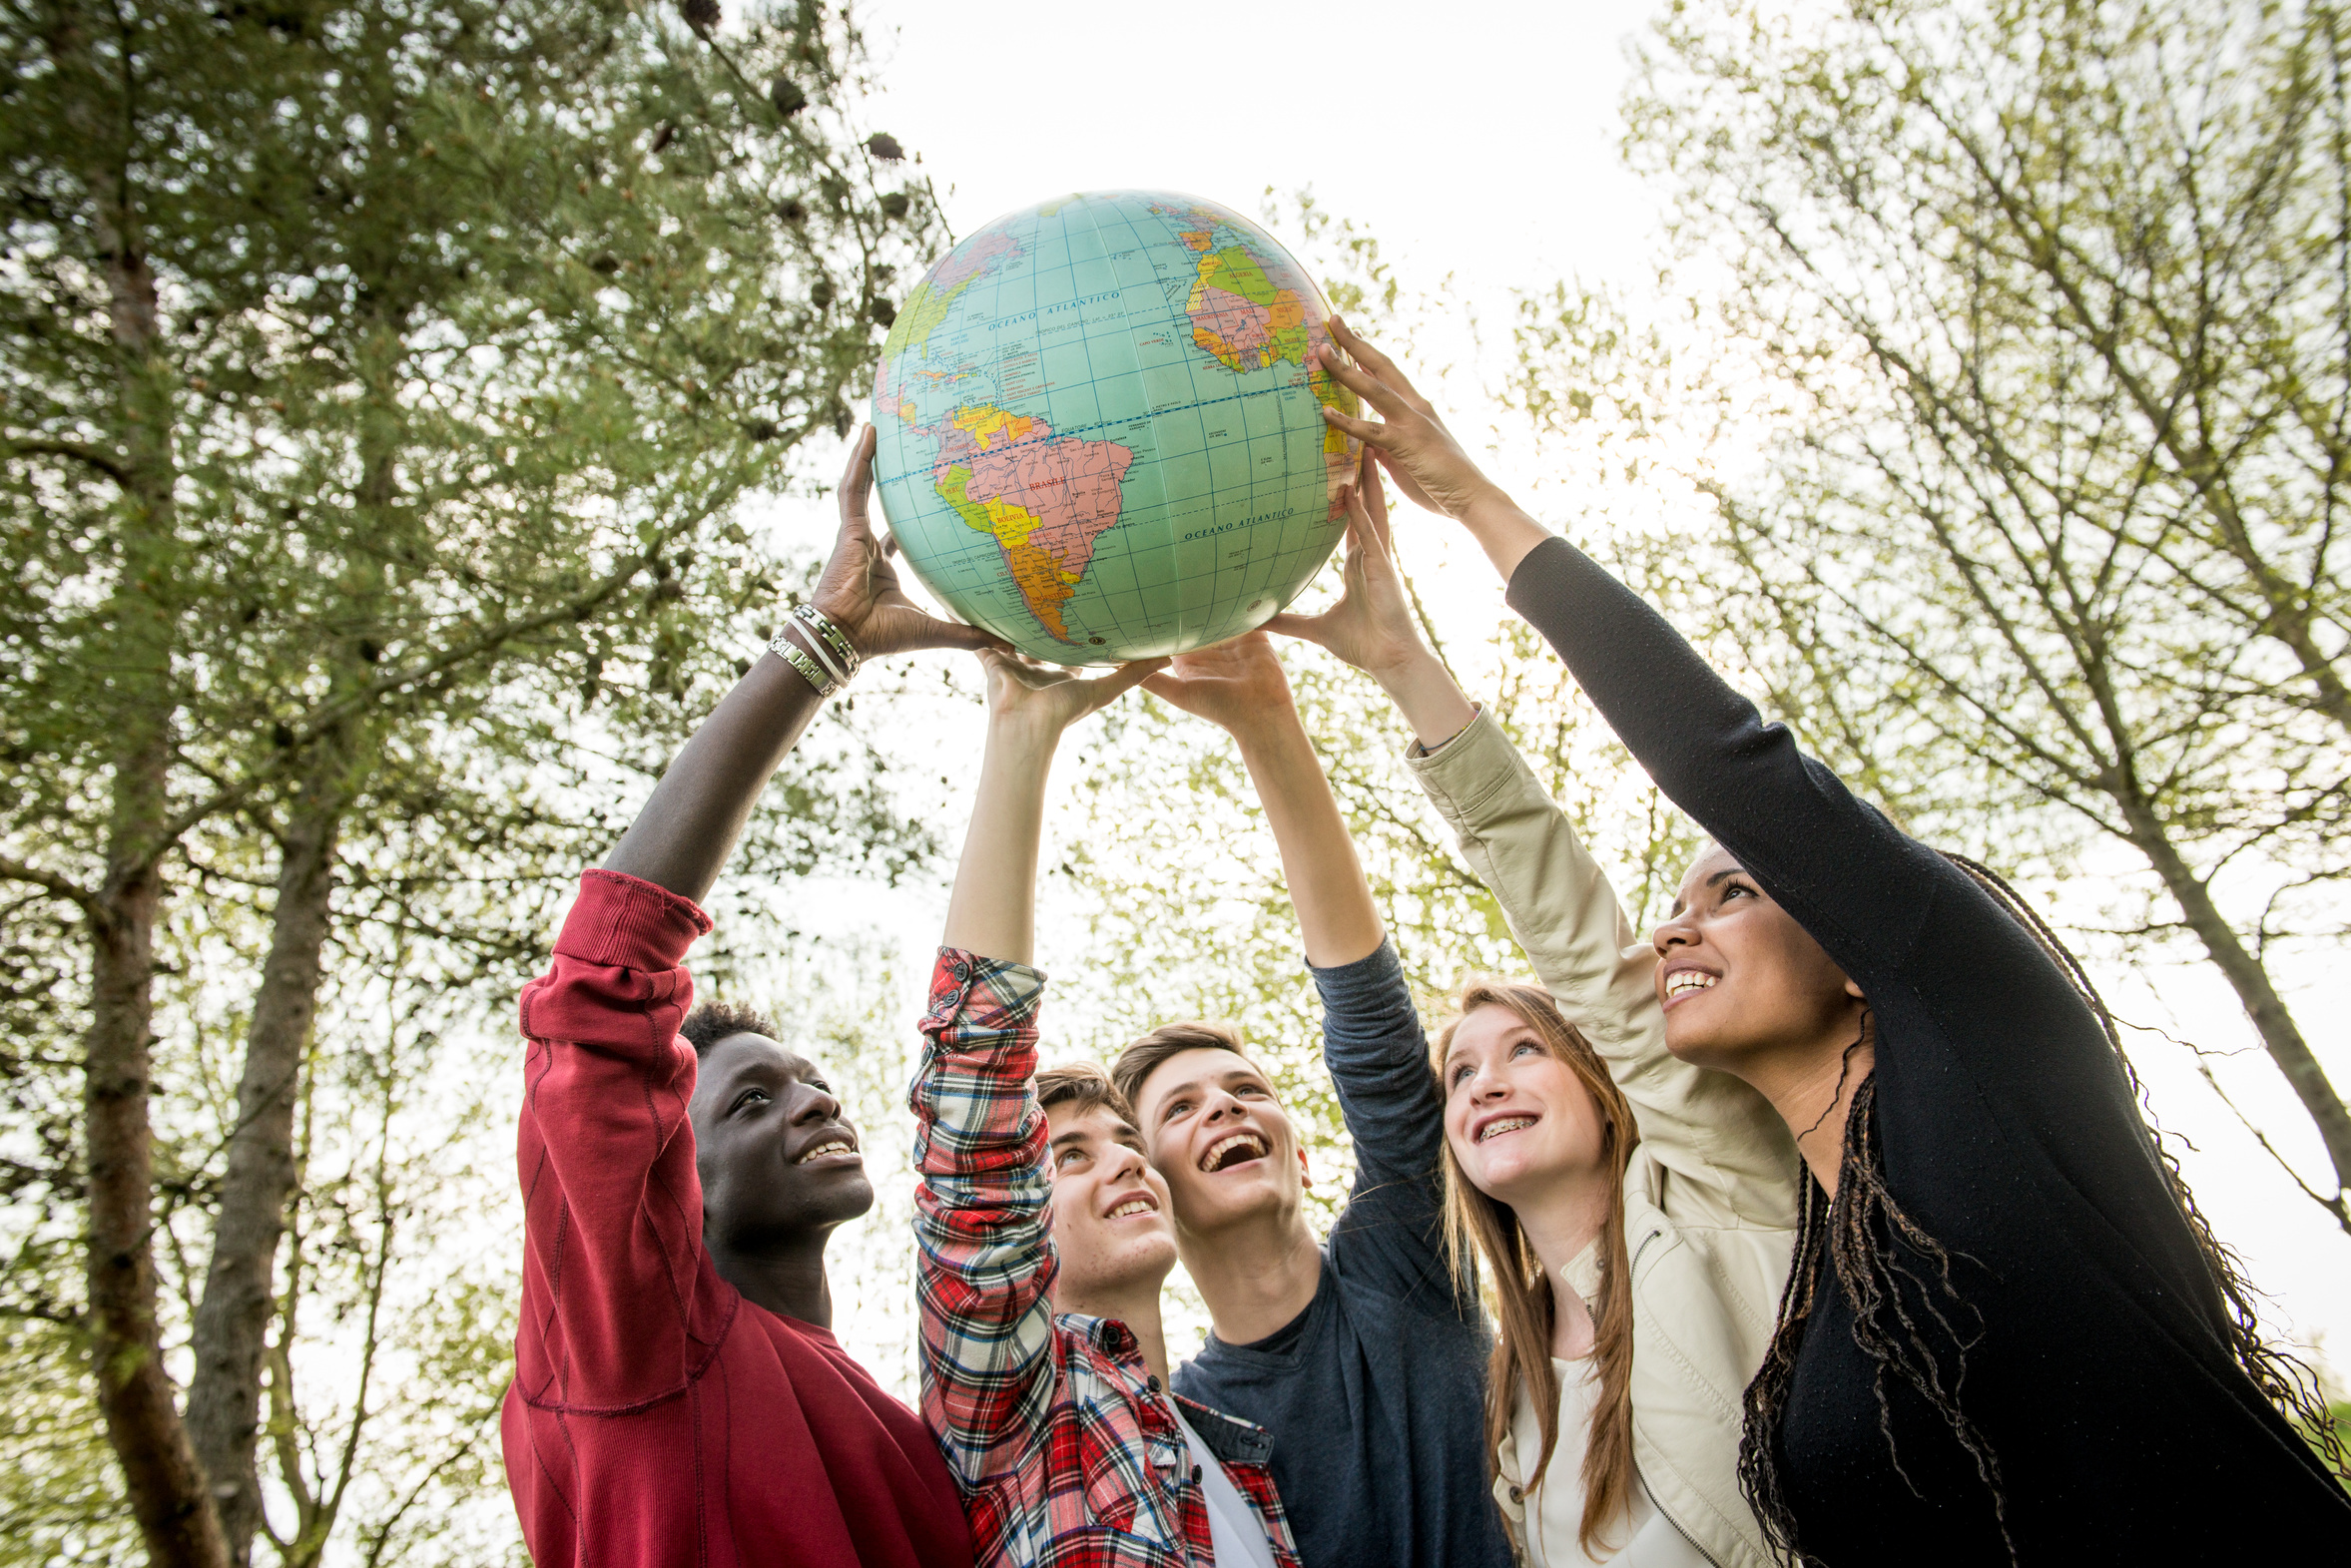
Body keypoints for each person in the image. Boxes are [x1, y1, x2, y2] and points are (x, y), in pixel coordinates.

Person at [1310, 318, 2351, 1562]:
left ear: (1856, 938)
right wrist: (1394, 668)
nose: (1674, 923)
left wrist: (1469, 498)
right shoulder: (1813, 1265)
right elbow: (1592, 959)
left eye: (1735, 886)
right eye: (1679, 904)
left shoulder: (1984, 1044)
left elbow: (1724, 758)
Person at [1269, 465, 1795, 1568]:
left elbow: (1589, 955)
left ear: (1610, 1085)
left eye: (1524, 1050)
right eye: (1459, 1073)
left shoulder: (1717, 1200)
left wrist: (1407, 667)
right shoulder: (1512, 1393)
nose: (1484, 1082)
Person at [502, 428, 988, 1568]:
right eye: (750, 1101)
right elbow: (601, 989)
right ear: (674, 1180)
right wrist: (823, 645)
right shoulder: (633, 1351)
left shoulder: (916, 1439)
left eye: (810, 1082)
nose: (812, 1102)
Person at [1105, 631, 1514, 1568]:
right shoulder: (1182, 1428)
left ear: (1299, 1148)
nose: (1225, 1108)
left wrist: (1266, 722)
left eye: (1246, 1089)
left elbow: (1371, 1030)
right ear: (1147, 1181)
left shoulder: (1403, 1260)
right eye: (1181, 1109)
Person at [910, 644, 1300, 1568]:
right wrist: (1021, 733)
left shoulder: (1238, 1460)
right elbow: (975, 1110)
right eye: (1070, 1154)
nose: (1125, 1157)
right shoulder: (1014, 1408)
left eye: (1125, 1140)